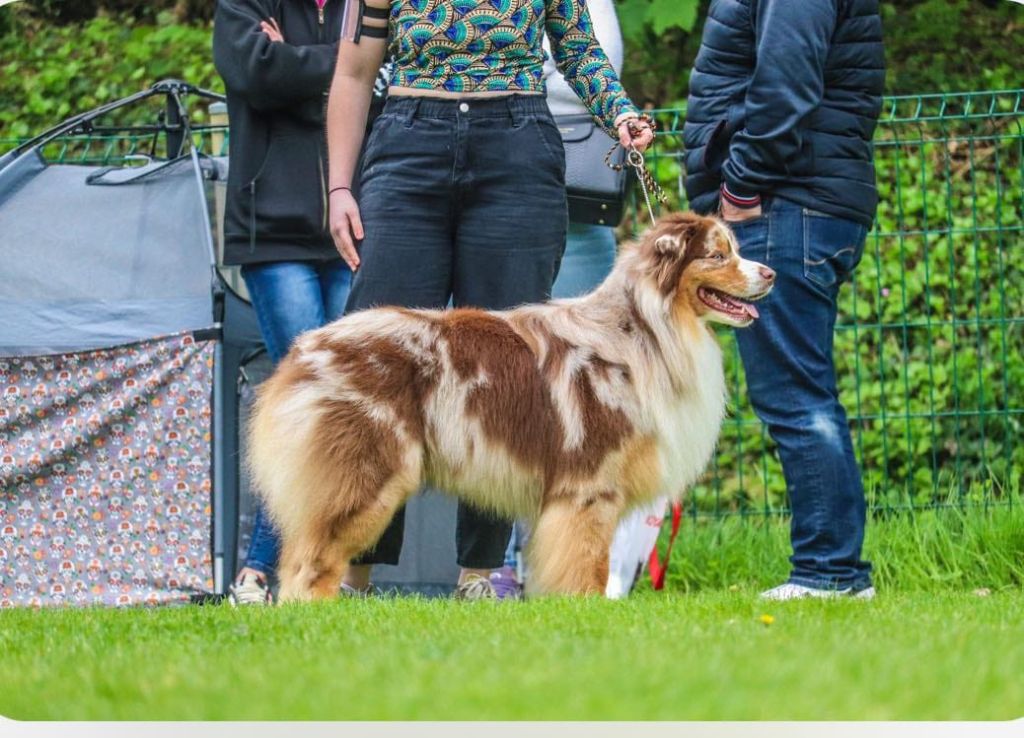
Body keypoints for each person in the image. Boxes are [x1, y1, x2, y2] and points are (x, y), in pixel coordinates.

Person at [324, 0, 654, 599]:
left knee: (508, 371)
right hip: (406, 145)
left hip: (518, 153)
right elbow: (353, 73)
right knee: (381, 360)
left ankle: (479, 575)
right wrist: (340, 187)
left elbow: (579, 50)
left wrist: (621, 115)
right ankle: (354, 574)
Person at [683, 0, 884, 599]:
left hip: (784, 201)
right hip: (804, 198)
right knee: (802, 392)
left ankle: (829, 573)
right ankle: (836, 570)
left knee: (796, 397)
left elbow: (787, 78)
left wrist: (741, 183)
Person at [213, 0, 386, 605]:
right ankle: (262, 570)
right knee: (311, 393)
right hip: (272, 231)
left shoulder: (361, 7)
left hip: (350, 225)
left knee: (339, 402)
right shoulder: (244, 4)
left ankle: (276, 573)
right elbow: (256, 73)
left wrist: (299, 60)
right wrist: (343, 66)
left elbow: (379, 82)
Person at [497, 0, 628, 596]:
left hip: (577, 215)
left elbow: (596, 74)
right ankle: (497, 564)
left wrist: (512, 76)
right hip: (502, 205)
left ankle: (576, 569)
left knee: (586, 407)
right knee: (507, 394)